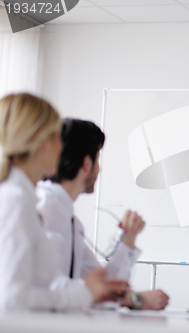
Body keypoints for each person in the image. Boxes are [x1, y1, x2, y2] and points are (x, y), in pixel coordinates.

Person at [0, 93, 127, 313]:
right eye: (57, 136)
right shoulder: (17, 201)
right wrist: (83, 294)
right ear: (42, 143)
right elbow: (11, 300)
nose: (62, 147)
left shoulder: (26, 200)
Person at [36, 118, 169, 310]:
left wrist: (129, 238)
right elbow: (51, 288)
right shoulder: (46, 209)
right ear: (87, 163)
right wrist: (134, 298)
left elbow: (107, 283)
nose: (99, 169)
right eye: (98, 159)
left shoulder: (67, 217)